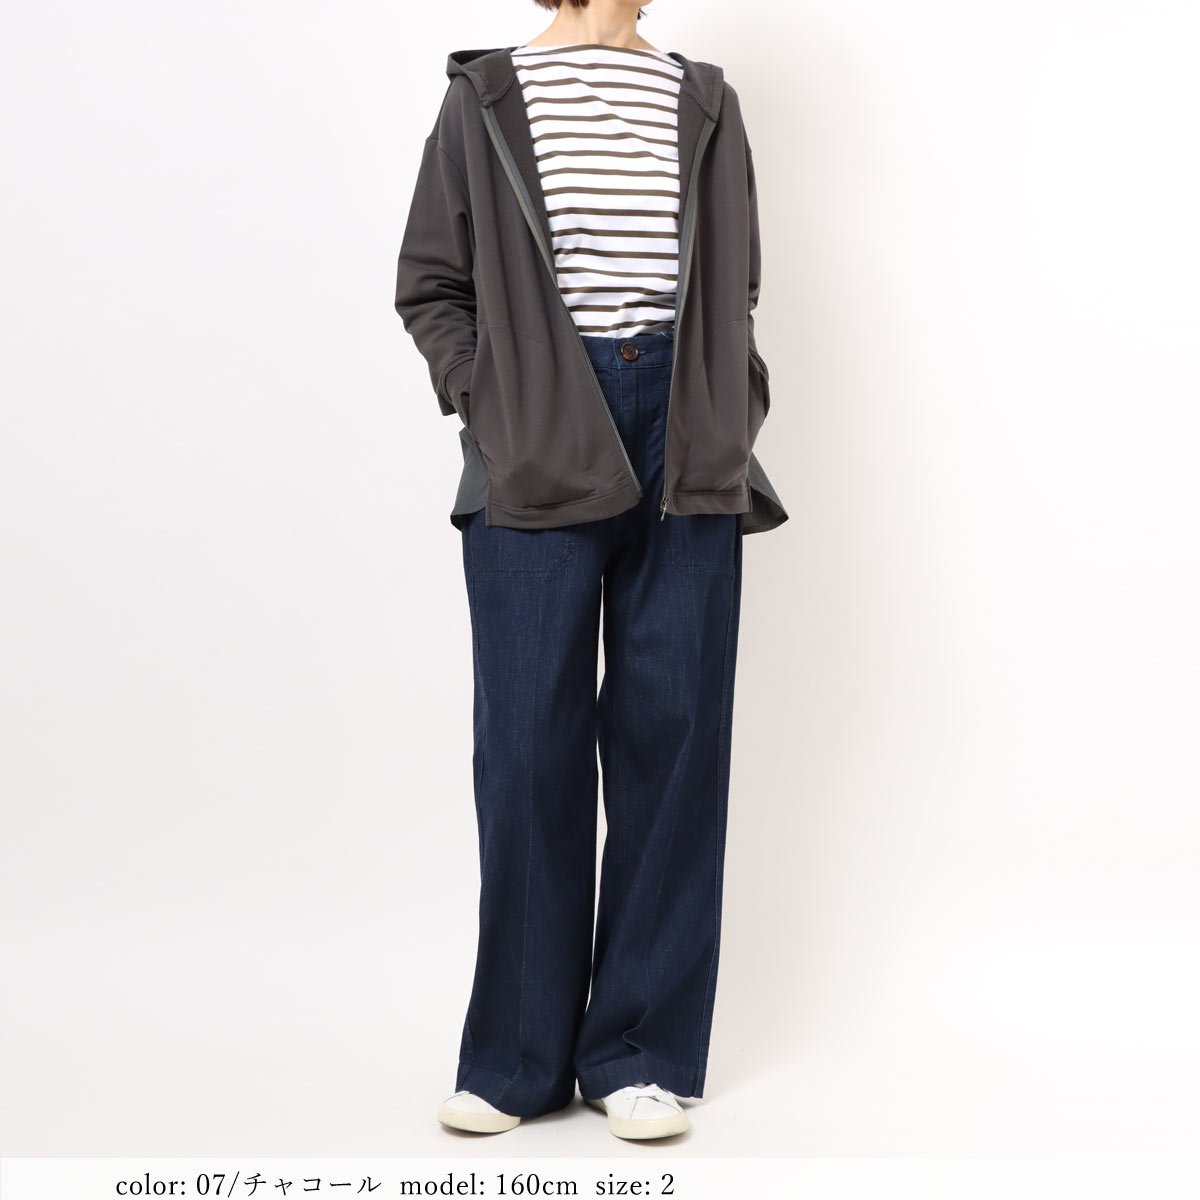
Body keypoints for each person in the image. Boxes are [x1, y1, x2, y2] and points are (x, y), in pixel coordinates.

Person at [393, 0, 787, 1141]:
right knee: (529, 745)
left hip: (687, 435)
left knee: (676, 737)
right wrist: (489, 398)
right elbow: (431, 282)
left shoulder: (703, 96)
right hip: (537, 423)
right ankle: (516, 1062)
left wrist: (728, 401)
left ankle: (640, 1053)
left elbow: (736, 284)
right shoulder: (485, 94)